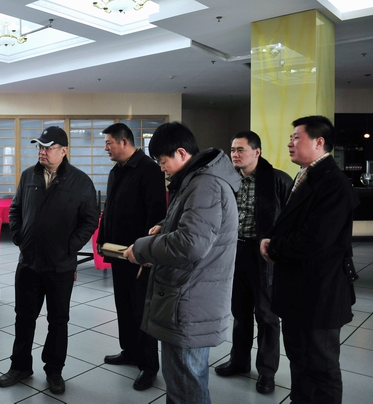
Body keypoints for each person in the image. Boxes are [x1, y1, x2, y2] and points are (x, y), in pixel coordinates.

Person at [124, 122, 241, 404]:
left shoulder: (205, 184)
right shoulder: (196, 179)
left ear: (181, 153)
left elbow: (191, 244)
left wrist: (141, 248)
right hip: (189, 293)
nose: (161, 168)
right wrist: (165, 226)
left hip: (189, 298)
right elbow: (196, 227)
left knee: (185, 384)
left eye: (163, 161)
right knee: (184, 379)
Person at [260, 116, 359, 404]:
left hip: (320, 292)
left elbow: (314, 239)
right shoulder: (307, 175)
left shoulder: (333, 183)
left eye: (296, 137)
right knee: (299, 358)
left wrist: (274, 247)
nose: (289, 143)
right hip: (300, 289)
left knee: (321, 365)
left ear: (319, 142)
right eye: (290, 138)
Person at [0, 126, 98, 395]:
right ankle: (20, 366)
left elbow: (90, 220)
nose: (42, 152)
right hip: (29, 262)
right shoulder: (28, 176)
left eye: (48, 147)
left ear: (63, 151)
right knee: (24, 317)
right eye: (39, 147)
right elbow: (16, 209)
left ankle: (54, 370)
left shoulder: (80, 181)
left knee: (58, 320)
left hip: (60, 265)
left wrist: (70, 248)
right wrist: (19, 237)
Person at [214, 131, 292, 394]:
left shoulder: (278, 180)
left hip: (264, 256)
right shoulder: (229, 180)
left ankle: (267, 372)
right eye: (232, 150)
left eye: (241, 150)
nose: (235, 155)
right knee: (240, 311)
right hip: (236, 252)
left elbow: (290, 220)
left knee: (267, 316)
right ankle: (239, 361)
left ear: (257, 152)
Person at [97, 123, 167, 390]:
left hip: (139, 255)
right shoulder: (117, 170)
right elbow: (109, 208)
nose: (106, 148)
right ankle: (129, 351)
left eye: (109, 143)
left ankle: (148, 366)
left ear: (124, 142)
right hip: (117, 252)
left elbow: (155, 214)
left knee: (141, 310)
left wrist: (147, 251)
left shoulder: (149, 169)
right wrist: (102, 238)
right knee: (123, 305)